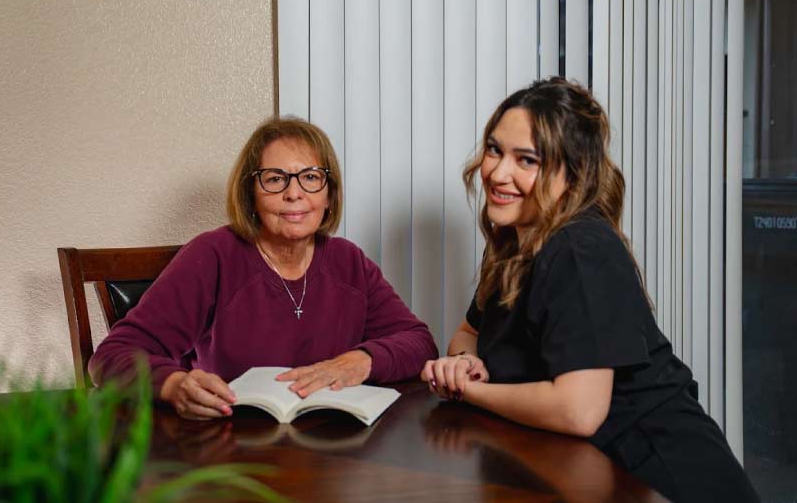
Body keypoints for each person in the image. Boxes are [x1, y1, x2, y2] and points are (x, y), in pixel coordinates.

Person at [421, 78, 758, 502]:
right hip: (585, 469)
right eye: (494, 149)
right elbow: (468, 333)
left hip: (659, 474)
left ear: (573, 173)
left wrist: (468, 391)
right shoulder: (514, 243)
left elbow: (579, 410)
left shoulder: (580, 248)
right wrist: (463, 363)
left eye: (527, 160)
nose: (498, 173)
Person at [90, 117, 437, 420]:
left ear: (328, 194)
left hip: (332, 454)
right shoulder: (213, 255)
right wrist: (174, 384)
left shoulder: (350, 262)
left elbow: (420, 343)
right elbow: (111, 356)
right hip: (230, 453)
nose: (294, 194)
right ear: (250, 194)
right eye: (275, 179)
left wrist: (361, 360)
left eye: (311, 177)